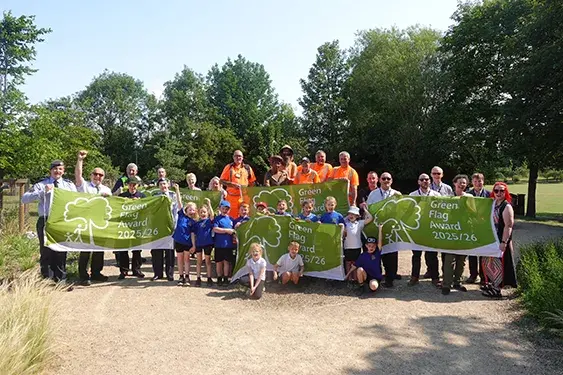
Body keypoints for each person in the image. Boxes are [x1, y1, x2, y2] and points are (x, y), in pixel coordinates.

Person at [22, 159, 77, 285]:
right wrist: (42, 192)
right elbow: (24, 199)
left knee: (61, 249)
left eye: (60, 169)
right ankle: (47, 279)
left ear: (63, 171)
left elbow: (77, 200)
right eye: (55, 169)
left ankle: (61, 279)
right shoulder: (41, 184)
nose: (57, 171)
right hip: (46, 220)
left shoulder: (69, 185)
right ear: (50, 171)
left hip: (62, 220)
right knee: (46, 250)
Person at [74, 150, 111, 286]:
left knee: (99, 250)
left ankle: (96, 273)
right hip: (86, 222)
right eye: (95, 174)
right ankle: (83, 276)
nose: (97, 176)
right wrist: (80, 160)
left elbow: (111, 207)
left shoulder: (107, 190)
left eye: (100, 175)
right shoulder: (84, 186)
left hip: (100, 223)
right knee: (85, 250)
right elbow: (78, 175)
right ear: (91, 175)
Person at [481, 182, 517, 298]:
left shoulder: (506, 206)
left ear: (505, 192)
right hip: (490, 240)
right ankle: (491, 285)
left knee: (499, 264)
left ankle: (497, 289)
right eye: (496, 191)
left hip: (499, 240)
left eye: (502, 191)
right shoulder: (492, 204)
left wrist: (504, 242)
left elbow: (509, 226)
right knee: (488, 262)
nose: (499, 193)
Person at [366, 172, 402, 287]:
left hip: (391, 227)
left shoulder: (397, 194)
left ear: (391, 181)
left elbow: (401, 211)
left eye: (388, 178)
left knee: (391, 253)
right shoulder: (373, 194)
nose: (386, 180)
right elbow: (369, 209)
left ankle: (390, 278)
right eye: (384, 178)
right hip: (377, 226)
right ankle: (378, 276)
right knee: (378, 252)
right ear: (380, 180)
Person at [408, 173, 442, 288]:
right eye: (422, 179)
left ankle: (435, 277)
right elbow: (408, 212)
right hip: (417, 229)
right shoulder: (412, 195)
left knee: (432, 255)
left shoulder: (436, 195)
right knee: (416, 255)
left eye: (427, 179)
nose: (424, 181)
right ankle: (414, 277)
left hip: (431, 229)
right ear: (418, 182)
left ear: (430, 181)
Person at [442, 174, 472, 295]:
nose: (462, 184)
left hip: (464, 232)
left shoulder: (470, 197)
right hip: (451, 232)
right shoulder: (448, 198)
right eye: (459, 182)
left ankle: (457, 282)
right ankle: (446, 284)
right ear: (454, 183)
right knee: (449, 259)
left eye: (464, 182)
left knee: (461, 260)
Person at [117, 176, 146, 280]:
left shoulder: (142, 196)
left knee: (137, 250)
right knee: (123, 249)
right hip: (124, 226)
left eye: (134, 184)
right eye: (130, 184)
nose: (132, 186)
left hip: (137, 226)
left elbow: (147, 210)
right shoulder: (121, 196)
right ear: (127, 185)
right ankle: (124, 270)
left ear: (138, 185)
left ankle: (136, 269)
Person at [151, 178, 177, 282]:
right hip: (158, 227)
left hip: (170, 226)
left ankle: (169, 274)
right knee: (157, 251)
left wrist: (174, 225)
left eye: (165, 184)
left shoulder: (173, 196)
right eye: (161, 184)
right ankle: (158, 273)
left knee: (170, 252)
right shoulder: (155, 197)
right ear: (158, 186)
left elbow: (176, 210)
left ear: (168, 185)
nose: (163, 186)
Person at [466, 172, 491, 284]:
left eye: (479, 181)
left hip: (484, 228)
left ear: (483, 181)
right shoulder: (467, 194)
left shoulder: (490, 195)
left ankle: (483, 276)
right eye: (475, 181)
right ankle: (473, 275)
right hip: (471, 227)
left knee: (483, 253)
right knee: (472, 253)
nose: (477, 183)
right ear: (472, 182)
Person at [345, 224, 384, 294]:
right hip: (365, 275)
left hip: (375, 277)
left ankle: (371, 286)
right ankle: (361, 286)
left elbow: (380, 242)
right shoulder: (362, 255)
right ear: (366, 246)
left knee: (373, 286)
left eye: (373, 246)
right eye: (369, 246)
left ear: (376, 246)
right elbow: (354, 266)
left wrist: (380, 229)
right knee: (359, 269)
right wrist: (347, 275)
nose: (371, 248)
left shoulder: (377, 253)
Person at [172, 184, 197, 286]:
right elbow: (179, 202)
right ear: (186, 209)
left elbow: (192, 234)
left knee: (186, 260)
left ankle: (187, 276)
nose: (191, 211)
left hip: (187, 242)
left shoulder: (193, 222)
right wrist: (177, 190)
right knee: (179, 259)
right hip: (178, 240)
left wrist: (193, 245)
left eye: (193, 210)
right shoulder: (181, 214)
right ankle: (181, 276)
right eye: (190, 209)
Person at [220, 150, 256, 216]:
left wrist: (250, 192)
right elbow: (221, 181)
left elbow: (252, 182)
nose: (238, 158)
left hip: (244, 197)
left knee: (245, 216)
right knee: (232, 217)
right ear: (233, 157)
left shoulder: (247, 168)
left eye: (239, 156)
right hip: (232, 197)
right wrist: (232, 185)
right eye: (236, 156)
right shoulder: (229, 167)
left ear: (242, 158)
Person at [343, 204, 373, 280]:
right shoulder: (345, 224)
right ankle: (349, 279)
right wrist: (347, 217)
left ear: (357, 216)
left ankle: (356, 279)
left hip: (357, 247)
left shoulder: (359, 223)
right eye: (350, 214)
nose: (351, 216)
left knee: (356, 263)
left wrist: (365, 210)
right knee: (348, 263)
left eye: (353, 214)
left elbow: (370, 218)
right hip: (347, 247)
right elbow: (340, 221)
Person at [213, 200, 236, 286]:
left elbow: (235, 230)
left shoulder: (231, 219)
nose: (225, 210)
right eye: (223, 208)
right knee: (219, 262)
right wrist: (227, 231)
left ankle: (226, 278)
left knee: (227, 262)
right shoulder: (217, 219)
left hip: (228, 245)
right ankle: (219, 277)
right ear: (220, 208)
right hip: (219, 244)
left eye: (227, 209)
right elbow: (215, 229)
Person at [194, 197, 215, 287]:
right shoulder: (197, 223)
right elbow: (194, 235)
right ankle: (198, 278)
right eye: (201, 212)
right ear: (199, 213)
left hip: (208, 243)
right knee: (198, 261)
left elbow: (213, 215)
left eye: (204, 212)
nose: (203, 214)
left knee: (208, 261)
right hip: (199, 244)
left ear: (207, 213)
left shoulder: (209, 221)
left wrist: (209, 204)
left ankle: (209, 277)